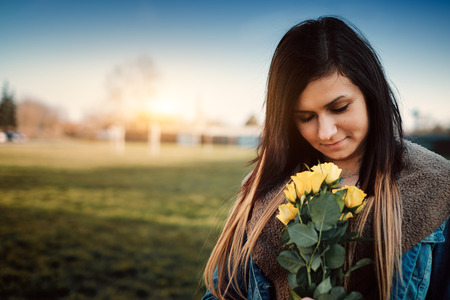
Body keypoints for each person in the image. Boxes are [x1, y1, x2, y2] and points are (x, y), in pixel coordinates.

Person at [202, 16, 450, 300]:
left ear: (371, 94)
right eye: (305, 117)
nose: (326, 132)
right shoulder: (262, 192)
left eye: (340, 107)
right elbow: (221, 294)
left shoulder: (437, 186)